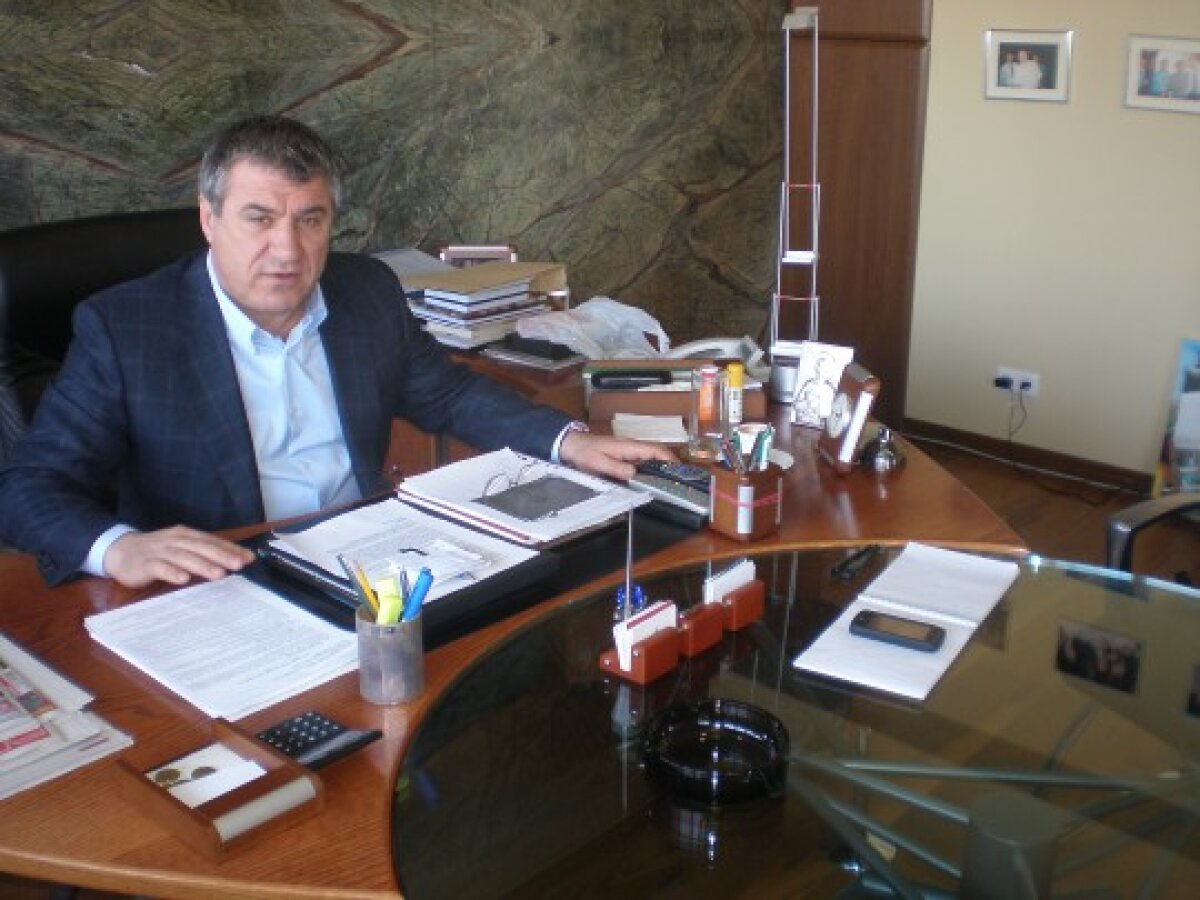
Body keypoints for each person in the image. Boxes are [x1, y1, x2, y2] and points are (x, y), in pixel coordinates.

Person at [0, 116, 674, 589]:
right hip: (226, 578)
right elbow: (29, 488)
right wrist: (119, 549)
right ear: (209, 219)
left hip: (367, 559)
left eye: (310, 220)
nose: (287, 250)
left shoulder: (366, 291)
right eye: (259, 219)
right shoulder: (127, 329)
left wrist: (568, 441)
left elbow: (449, 393)